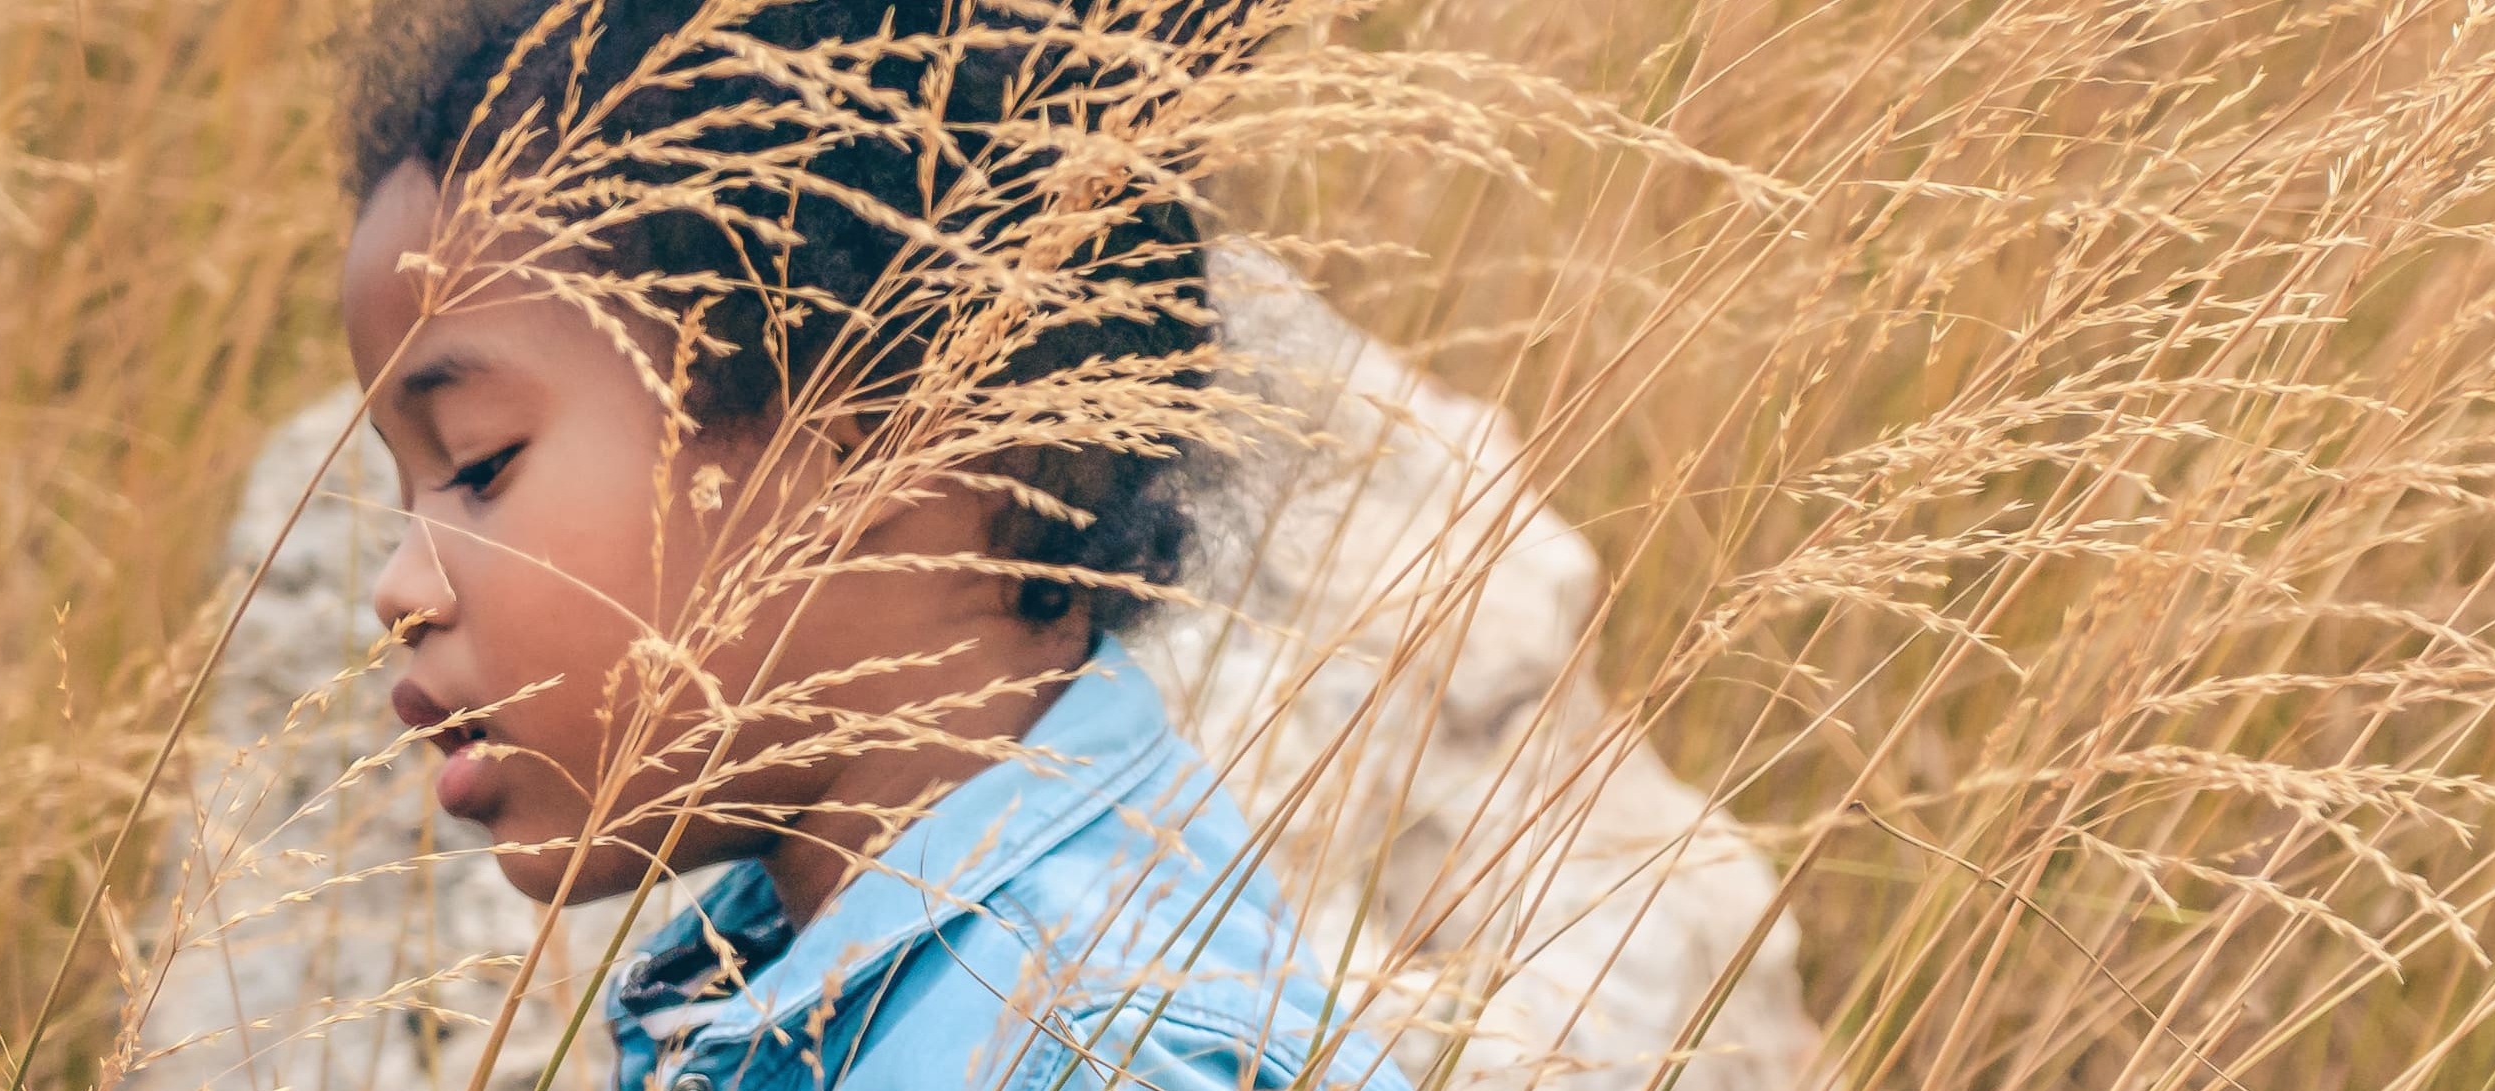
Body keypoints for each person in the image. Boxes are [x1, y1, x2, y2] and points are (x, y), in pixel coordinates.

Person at [122, 0, 1817, 1087]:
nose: (400, 587)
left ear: (876, 428)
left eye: (477, 462)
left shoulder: (1089, 1049)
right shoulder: (825, 996)